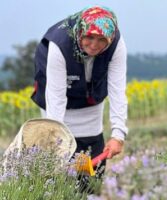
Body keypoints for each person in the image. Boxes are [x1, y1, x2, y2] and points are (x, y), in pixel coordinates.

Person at [31, 5, 128, 175]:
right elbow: (56, 96)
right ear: (80, 33)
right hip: (58, 99)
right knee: (59, 162)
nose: (94, 45)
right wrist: (55, 138)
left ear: (110, 38)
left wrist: (118, 134)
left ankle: (89, 191)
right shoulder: (59, 45)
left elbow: (117, 90)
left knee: (91, 162)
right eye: (89, 37)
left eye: (101, 40)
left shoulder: (116, 44)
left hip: (90, 99)